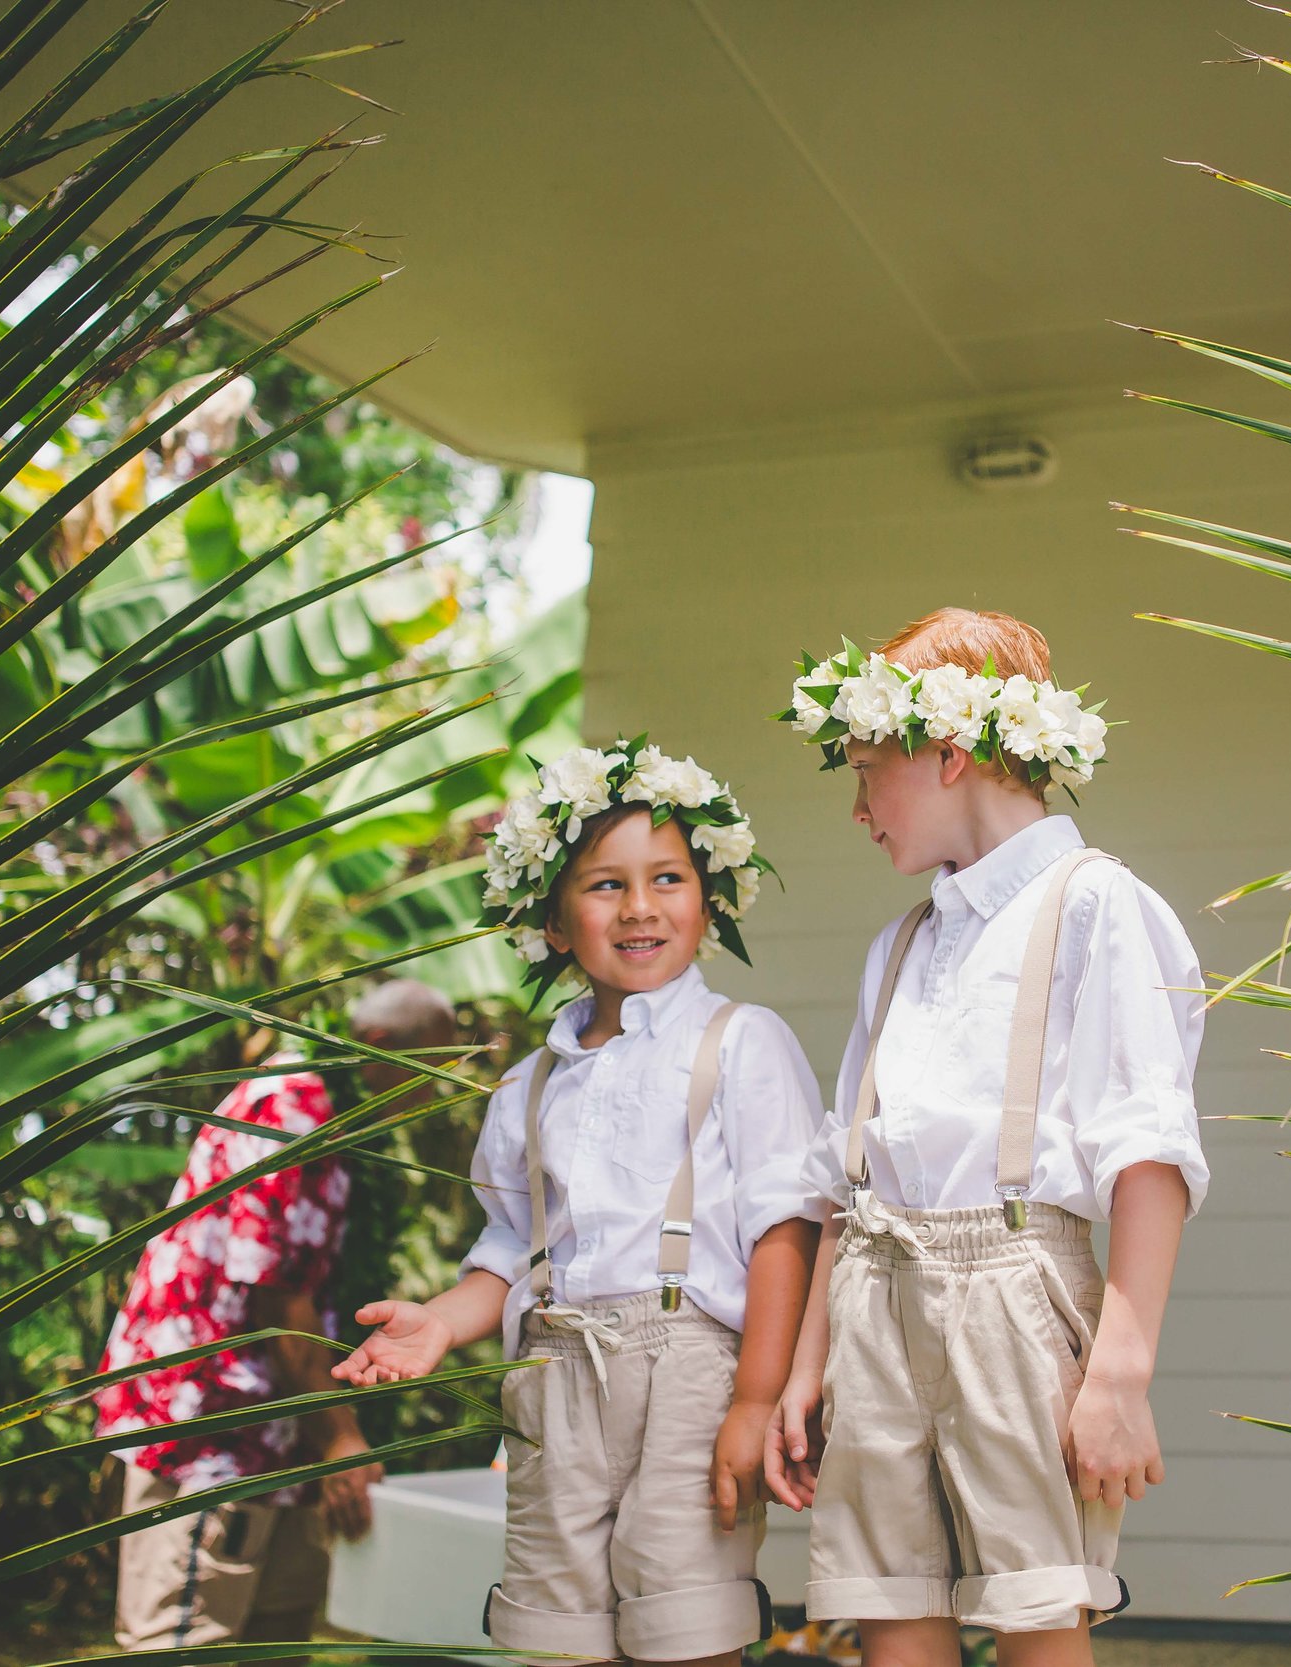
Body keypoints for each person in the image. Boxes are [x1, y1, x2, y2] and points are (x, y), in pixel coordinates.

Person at [766, 608, 1208, 1666]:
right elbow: (852, 1168)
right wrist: (804, 1366)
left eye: (868, 768)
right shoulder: (903, 941)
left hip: (1014, 1288)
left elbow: (1146, 1150)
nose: (857, 804)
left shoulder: (1094, 903)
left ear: (951, 753)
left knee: (1035, 1603)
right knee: (888, 1599)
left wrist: (1118, 1373)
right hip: (876, 1284)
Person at [333, 739, 823, 1667]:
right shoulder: (530, 1084)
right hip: (553, 1377)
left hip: (692, 1373)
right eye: (605, 885)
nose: (640, 907)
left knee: (687, 1628)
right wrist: (439, 1322)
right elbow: (512, 1247)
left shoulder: (742, 1044)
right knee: (554, 1633)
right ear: (554, 921)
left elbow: (784, 1232)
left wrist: (756, 1400)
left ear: (708, 898)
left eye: (668, 878)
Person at [97, 978, 460, 1660]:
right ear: (379, 1047)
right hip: (210, 1425)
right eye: (428, 1071)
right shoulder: (287, 1107)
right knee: (182, 1640)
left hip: (282, 1426)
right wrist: (343, 1436)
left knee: (274, 1638)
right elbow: (276, 1299)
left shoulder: (340, 1122)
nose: (430, 1094)